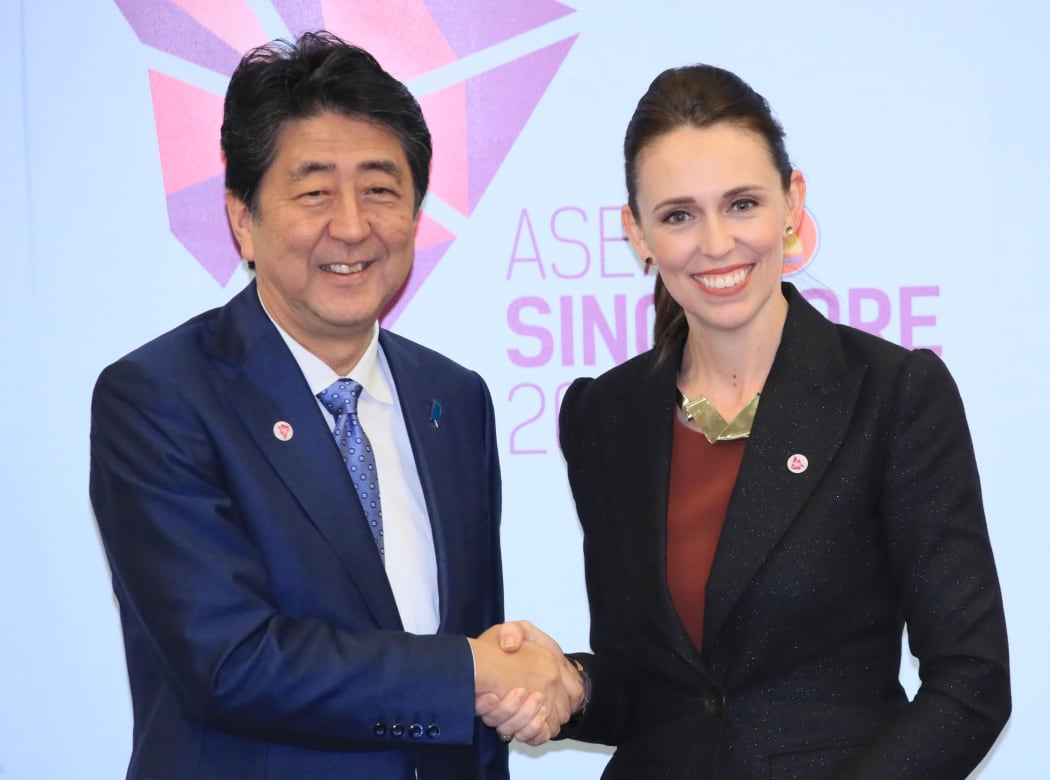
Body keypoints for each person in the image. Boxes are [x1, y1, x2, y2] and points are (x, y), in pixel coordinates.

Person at [482, 64, 1011, 778]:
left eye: (741, 204)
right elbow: (653, 686)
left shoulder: (893, 394)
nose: (716, 243)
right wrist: (572, 685)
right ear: (636, 233)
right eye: (678, 215)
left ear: (792, 204)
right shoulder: (605, 414)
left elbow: (972, 683)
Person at [89, 32, 579, 780]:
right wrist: (467, 673)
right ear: (243, 218)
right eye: (314, 191)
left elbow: (475, 656)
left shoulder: (455, 399)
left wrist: (508, 680)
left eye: (381, 189)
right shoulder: (159, 397)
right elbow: (229, 661)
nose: (351, 226)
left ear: (416, 211)